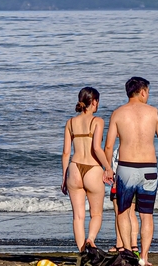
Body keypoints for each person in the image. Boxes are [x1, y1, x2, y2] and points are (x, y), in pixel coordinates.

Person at [105, 77, 158, 266]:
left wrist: (108, 168)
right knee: (146, 215)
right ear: (142, 92)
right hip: (149, 169)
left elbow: (109, 146)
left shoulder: (118, 113)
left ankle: (127, 254)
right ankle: (144, 258)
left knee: (123, 212)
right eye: (148, 91)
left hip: (126, 168)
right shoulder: (153, 112)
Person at [62, 87, 113, 250]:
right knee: (96, 214)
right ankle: (90, 239)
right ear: (94, 102)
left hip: (74, 168)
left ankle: (81, 251)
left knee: (78, 216)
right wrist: (108, 168)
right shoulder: (97, 121)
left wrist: (64, 177)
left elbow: (65, 152)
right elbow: (97, 148)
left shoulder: (70, 122)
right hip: (92, 169)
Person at [109, 146, 139, 255]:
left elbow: (119, 166)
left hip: (121, 181)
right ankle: (134, 244)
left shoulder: (120, 149)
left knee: (119, 213)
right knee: (131, 213)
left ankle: (120, 244)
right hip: (135, 180)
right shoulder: (136, 148)